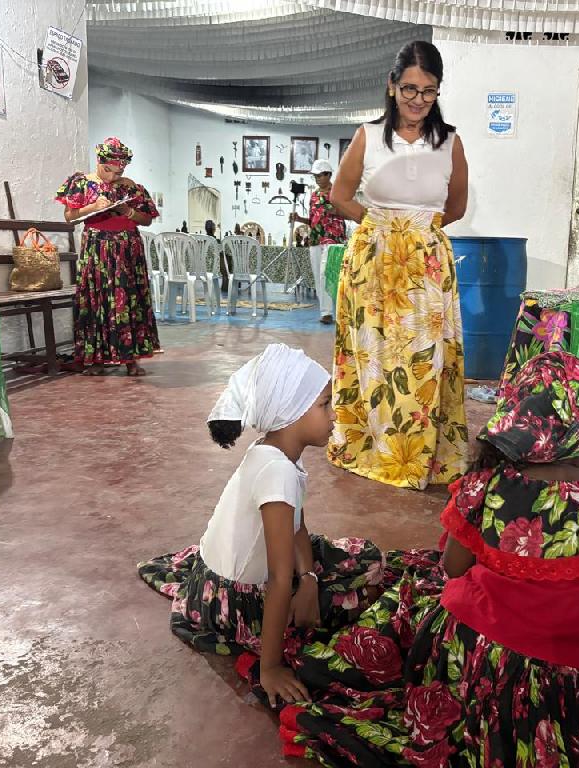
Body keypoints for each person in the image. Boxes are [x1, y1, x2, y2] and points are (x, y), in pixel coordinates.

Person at [273, 351, 579, 767]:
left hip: (462, 656)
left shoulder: (488, 483)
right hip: (554, 686)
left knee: (421, 592)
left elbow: (452, 569)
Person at [137, 344, 385, 707]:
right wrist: (270, 668)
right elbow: (279, 578)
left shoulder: (275, 451)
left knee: (356, 558)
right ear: (291, 413)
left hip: (222, 579)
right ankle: (270, 647)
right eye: (324, 404)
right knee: (366, 585)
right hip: (236, 603)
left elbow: (297, 525)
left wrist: (309, 579)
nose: (334, 414)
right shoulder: (277, 472)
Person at [327, 40, 469, 490]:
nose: (418, 100)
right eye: (409, 89)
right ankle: (373, 445)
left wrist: (417, 232)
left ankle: (418, 453)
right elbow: (339, 195)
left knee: (424, 358)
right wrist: (378, 225)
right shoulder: (368, 136)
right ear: (391, 86)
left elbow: (456, 206)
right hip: (372, 264)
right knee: (373, 355)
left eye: (428, 91)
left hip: (425, 267)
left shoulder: (449, 142)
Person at [55, 137, 159, 376]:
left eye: (119, 171)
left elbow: (147, 219)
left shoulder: (131, 187)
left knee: (129, 298)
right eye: (109, 170)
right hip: (96, 247)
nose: (114, 176)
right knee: (96, 298)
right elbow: (69, 216)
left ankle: (131, 359)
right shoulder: (82, 183)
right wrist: (93, 207)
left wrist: (128, 211)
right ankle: (97, 360)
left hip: (127, 248)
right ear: (100, 162)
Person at [290, 159, 346, 325]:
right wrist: (299, 218)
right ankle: (325, 312)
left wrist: (337, 210)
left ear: (328, 175)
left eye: (319, 175)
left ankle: (336, 311)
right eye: (315, 176)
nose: (317, 179)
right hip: (315, 239)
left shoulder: (338, 192)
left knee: (325, 274)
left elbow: (347, 213)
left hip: (333, 238)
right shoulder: (314, 195)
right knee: (317, 276)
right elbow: (313, 220)